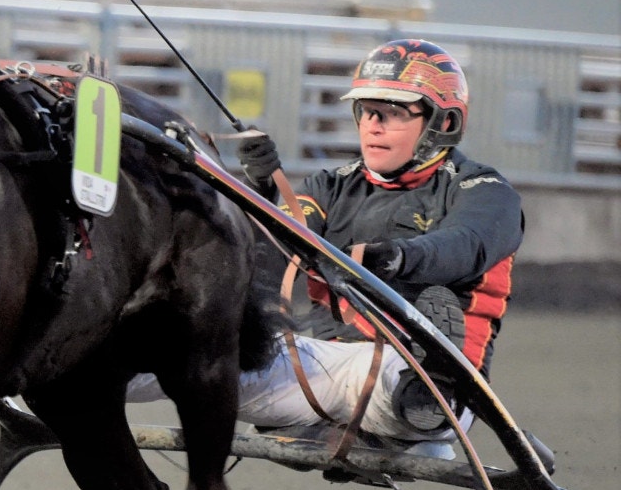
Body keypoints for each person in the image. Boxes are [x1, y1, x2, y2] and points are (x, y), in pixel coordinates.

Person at [134, 40, 521, 447]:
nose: (373, 125)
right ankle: (76, 375)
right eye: (367, 112)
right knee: (192, 353)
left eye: (392, 114)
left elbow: (465, 246)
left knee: (401, 383)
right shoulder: (329, 185)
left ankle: (431, 389)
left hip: (409, 366)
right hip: (321, 363)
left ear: (442, 123)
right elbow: (272, 243)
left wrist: (395, 256)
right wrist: (258, 189)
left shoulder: (484, 190)